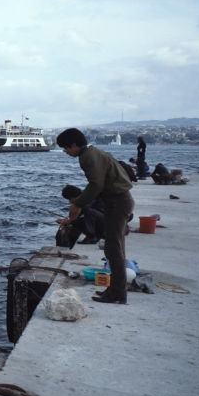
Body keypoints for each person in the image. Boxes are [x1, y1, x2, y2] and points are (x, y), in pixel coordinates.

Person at [56, 127, 134, 304]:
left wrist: (77, 204)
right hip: (118, 201)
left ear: (74, 145)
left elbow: (96, 184)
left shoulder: (87, 157)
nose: (65, 152)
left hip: (118, 203)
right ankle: (116, 289)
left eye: (66, 148)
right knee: (114, 248)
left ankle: (117, 293)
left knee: (114, 249)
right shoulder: (93, 152)